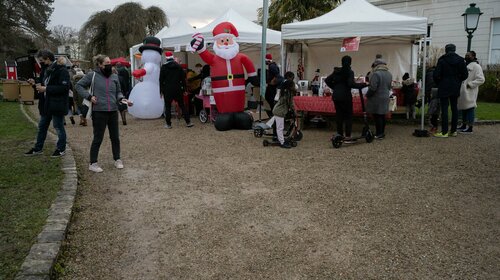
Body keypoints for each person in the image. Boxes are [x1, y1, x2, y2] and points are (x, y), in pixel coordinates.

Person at [75, 54, 133, 173]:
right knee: (98, 138)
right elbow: (78, 85)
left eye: (110, 63)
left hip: (112, 110)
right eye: (107, 64)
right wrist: (89, 96)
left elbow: (118, 92)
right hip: (99, 111)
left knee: (115, 137)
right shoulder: (92, 75)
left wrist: (123, 99)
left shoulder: (114, 77)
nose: (109, 65)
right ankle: (93, 162)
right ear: (100, 65)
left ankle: (117, 159)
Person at [25, 50, 70, 158]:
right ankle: (38, 148)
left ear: (48, 59)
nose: (40, 63)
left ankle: (61, 149)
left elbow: (64, 88)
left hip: (56, 104)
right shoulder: (45, 70)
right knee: (42, 127)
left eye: (41, 61)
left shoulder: (62, 70)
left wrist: (46, 89)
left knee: (58, 127)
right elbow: (41, 84)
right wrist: (34, 83)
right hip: (46, 104)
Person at [325, 55, 365, 143]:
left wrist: (334, 87)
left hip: (336, 96)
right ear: (350, 62)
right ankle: (347, 136)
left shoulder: (336, 71)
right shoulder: (349, 72)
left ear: (341, 62)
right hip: (345, 96)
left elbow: (327, 80)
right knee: (348, 116)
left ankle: (339, 135)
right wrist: (362, 85)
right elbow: (351, 84)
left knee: (339, 116)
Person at [432, 43, 468, 138]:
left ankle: (444, 132)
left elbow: (435, 75)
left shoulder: (442, 60)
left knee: (444, 108)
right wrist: (458, 80)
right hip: (455, 86)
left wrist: (439, 82)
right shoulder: (461, 60)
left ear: (446, 50)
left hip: (444, 85)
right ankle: (453, 131)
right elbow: (465, 75)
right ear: (454, 50)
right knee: (454, 108)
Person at [159, 51, 193, 129]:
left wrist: (160, 91)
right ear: (172, 57)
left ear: (166, 58)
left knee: (167, 107)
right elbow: (183, 79)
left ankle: (168, 124)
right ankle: (188, 122)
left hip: (167, 89)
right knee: (182, 105)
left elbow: (160, 80)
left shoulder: (163, 67)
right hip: (178, 89)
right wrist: (184, 89)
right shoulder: (179, 66)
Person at [457, 51, 485, 134]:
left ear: (473, 56)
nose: (466, 56)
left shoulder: (476, 66)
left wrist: (470, 85)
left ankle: (470, 128)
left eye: (468, 55)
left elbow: (481, 79)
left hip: (470, 91)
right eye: (466, 55)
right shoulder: (466, 65)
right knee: (464, 108)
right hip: (464, 91)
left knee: (470, 108)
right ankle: (464, 125)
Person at [366, 58, 392, 139]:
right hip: (385, 96)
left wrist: (368, 95)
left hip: (377, 98)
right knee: (382, 115)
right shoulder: (389, 74)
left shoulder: (376, 74)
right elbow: (389, 86)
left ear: (376, 65)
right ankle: (382, 133)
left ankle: (378, 133)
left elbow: (373, 87)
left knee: (377, 116)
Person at [272, 80, 296, 149]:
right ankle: (282, 142)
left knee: (279, 127)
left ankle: (280, 139)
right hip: (280, 112)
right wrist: (294, 111)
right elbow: (291, 104)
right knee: (280, 128)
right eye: (293, 85)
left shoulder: (285, 92)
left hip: (277, 110)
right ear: (290, 86)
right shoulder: (288, 93)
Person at [425, 66, 440, 133]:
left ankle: (433, 126)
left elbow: (425, 84)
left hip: (430, 92)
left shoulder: (428, 73)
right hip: (437, 92)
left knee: (432, 110)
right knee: (436, 110)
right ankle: (434, 126)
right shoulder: (438, 72)